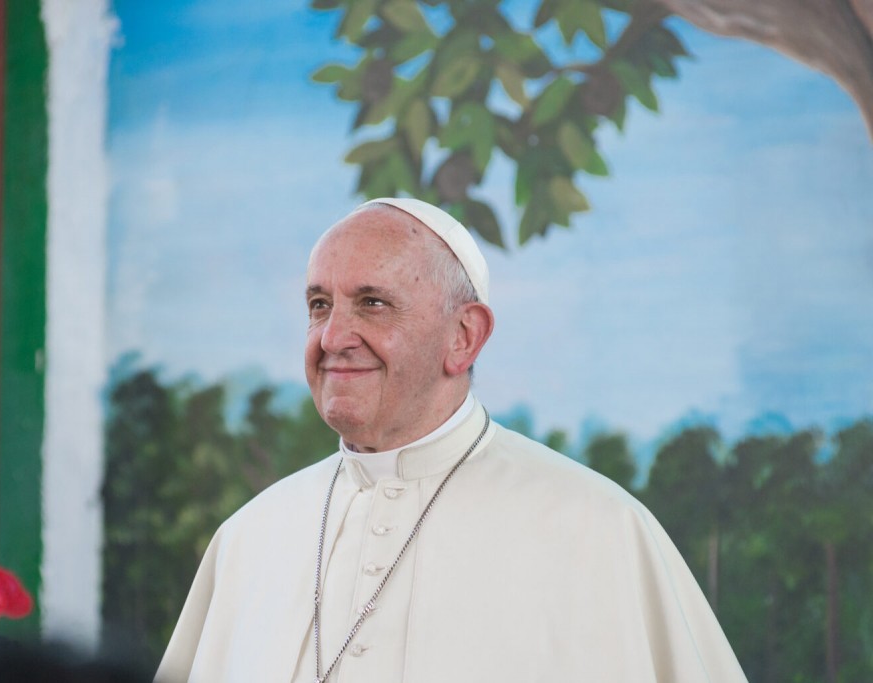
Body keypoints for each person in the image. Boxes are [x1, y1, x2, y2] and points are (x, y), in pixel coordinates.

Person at [155, 198, 748, 682]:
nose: (333, 336)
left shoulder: (599, 529)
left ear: (463, 336)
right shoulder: (251, 538)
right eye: (319, 305)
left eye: (372, 304)